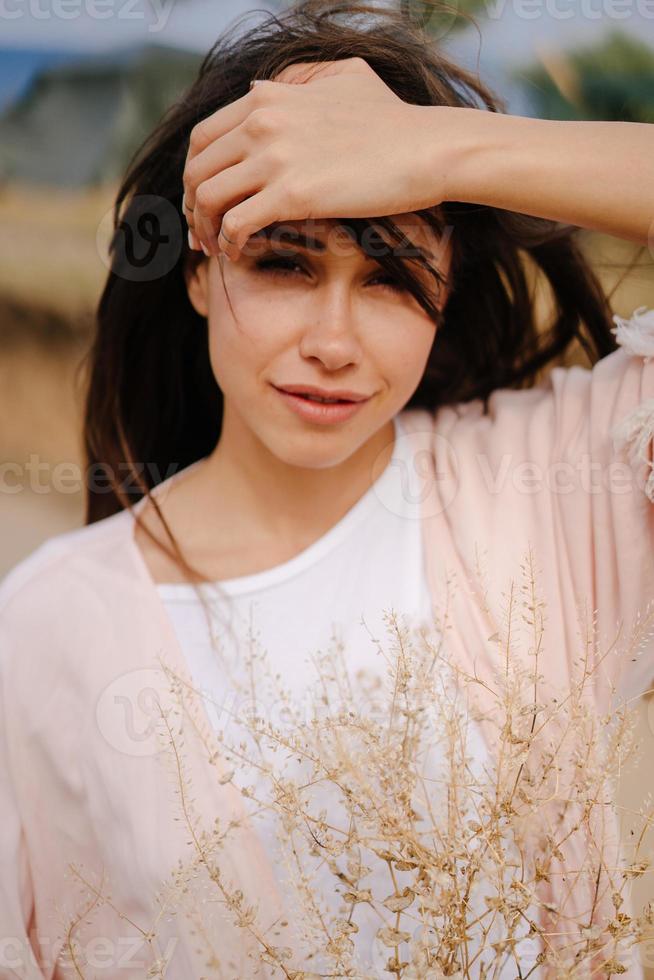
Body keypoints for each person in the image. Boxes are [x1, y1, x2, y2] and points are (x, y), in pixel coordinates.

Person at [1, 1, 653, 977]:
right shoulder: (42, 629)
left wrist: (439, 149)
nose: (333, 342)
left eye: (391, 276)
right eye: (284, 261)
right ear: (194, 269)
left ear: (445, 294)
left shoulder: (549, 481)